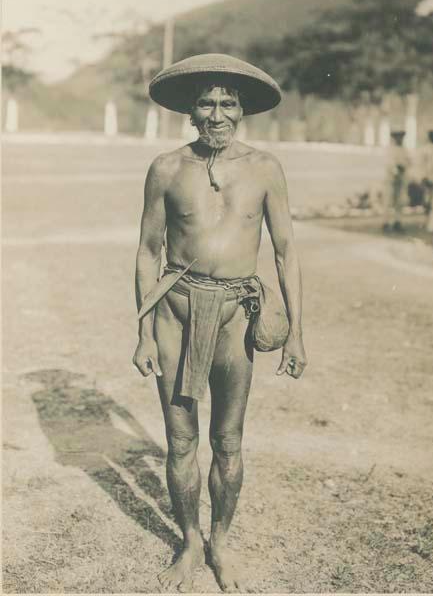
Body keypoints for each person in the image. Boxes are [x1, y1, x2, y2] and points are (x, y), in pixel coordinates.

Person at [133, 53, 307, 592]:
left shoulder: (265, 168)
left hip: (236, 314)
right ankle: (189, 542)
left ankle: (220, 544)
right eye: (206, 103)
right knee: (180, 440)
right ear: (190, 110)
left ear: (241, 109)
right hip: (175, 311)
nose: (216, 113)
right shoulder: (166, 168)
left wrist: (296, 332)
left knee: (228, 441)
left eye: (227, 103)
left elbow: (285, 252)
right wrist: (142, 330)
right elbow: (146, 250)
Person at [382, 130, 410, 233]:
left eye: (401, 137)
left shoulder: (404, 149)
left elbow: (408, 161)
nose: (400, 139)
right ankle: (386, 223)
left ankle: (397, 222)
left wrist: (403, 167)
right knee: (388, 200)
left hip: (401, 178)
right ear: (394, 138)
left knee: (399, 201)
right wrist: (396, 169)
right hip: (391, 178)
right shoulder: (390, 149)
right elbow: (389, 164)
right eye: (398, 137)